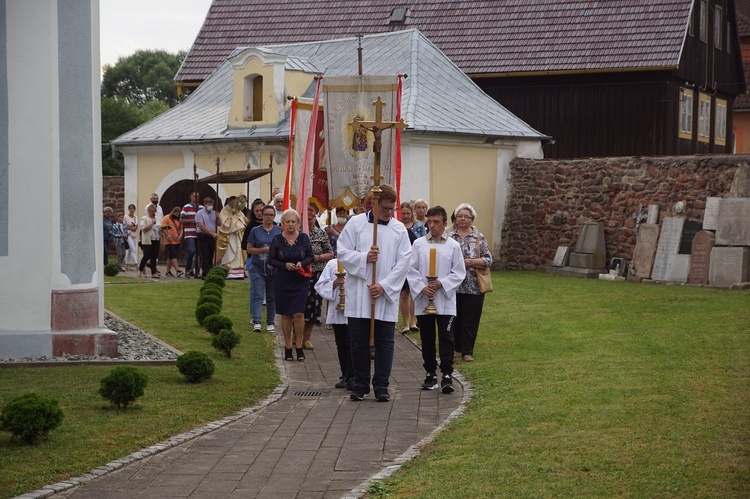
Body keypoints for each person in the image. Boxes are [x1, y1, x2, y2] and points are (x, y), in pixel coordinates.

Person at [337, 184, 412, 402]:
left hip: (385, 293)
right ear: (375, 203)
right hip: (360, 291)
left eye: (393, 208)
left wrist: (385, 286)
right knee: (358, 340)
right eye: (386, 208)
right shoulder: (356, 224)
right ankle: (360, 384)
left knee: (385, 340)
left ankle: (381, 385)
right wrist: (364, 259)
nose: (390, 212)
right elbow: (342, 251)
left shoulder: (399, 230)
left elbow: (404, 261)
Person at [407, 206, 466, 394]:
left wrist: (441, 283)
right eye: (429, 222)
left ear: (445, 224)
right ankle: (430, 373)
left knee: (446, 337)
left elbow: (459, 272)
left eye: (436, 222)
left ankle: (447, 374)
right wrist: (421, 287)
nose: (431, 226)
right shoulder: (418, 244)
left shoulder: (453, 246)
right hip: (425, 298)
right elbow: (411, 269)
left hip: (445, 300)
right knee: (427, 338)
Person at [267, 209, 314, 362]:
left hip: (300, 280)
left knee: (299, 313)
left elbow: (310, 256)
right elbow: (271, 260)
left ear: (298, 223)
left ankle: (298, 345)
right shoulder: (277, 239)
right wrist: (284, 265)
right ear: (283, 224)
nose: (291, 224)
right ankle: (288, 347)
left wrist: (302, 263)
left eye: (294, 221)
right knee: (286, 314)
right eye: (288, 221)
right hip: (283, 280)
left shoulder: (304, 238)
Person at [449, 203, 492, 362]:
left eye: (466, 216)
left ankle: (468, 351)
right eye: (460, 216)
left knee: (470, 319)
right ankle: (457, 348)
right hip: (454, 285)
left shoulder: (479, 238)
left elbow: (488, 260)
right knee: (455, 318)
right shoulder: (450, 237)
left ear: (472, 219)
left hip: (474, 286)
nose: (462, 219)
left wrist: (471, 262)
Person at [315, 258, 354, 390]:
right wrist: (334, 283)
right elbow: (320, 285)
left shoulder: (359, 262)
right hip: (339, 311)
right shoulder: (333, 264)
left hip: (355, 310)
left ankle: (354, 375)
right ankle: (345, 374)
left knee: (353, 343)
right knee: (341, 343)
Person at [302, 204, 334, 350]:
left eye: (311, 218)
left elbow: (330, 253)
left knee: (312, 308)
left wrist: (317, 257)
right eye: (305, 218)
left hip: (315, 274)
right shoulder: (297, 233)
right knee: (298, 308)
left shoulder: (320, 234)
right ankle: (296, 337)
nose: (308, 221)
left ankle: (306, 338)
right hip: (298, 274)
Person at [247, 205, 282, 332]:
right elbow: (249, 248)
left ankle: (270, 322)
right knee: (258, 294)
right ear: (262, 215)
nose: (268, 217)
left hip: (273, 268)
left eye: (271, 215)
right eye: (266, 215)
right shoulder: (255, 231)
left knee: (271, 296)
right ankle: (257, 320)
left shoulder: (279, 230)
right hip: (257, 267)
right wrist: (263, 249)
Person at [398, 201, 426, 334]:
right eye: (403, 213)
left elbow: (423, 242)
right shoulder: (397, 226)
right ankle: (406, 324)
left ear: (412, 213)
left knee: (414, 294)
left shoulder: (419, 226)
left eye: (408, 213)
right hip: (402, 264)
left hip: (415, 264)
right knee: (404, 294)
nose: (406, 216)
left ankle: (414, 322)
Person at [217, 195, 248, 277]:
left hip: (238, 236)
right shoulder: (224, 210)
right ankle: (228, 272)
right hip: (229, 236)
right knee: (230, 252)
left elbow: (244, 220)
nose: (234, 203)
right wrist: (233, 217)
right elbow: (224, 224)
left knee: (238, 252)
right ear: (229, 201)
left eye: (236, 202)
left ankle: (239, 273)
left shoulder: (239, 211)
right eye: (233, 202)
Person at [195, 197, 221, 279]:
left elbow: (219, 224)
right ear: (205, 204)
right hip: (203, 235)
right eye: (209, 204)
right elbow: (201, 226)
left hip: (211, 236)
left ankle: (210, 270)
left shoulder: (214, 213)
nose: (211, 206)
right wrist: (211, 233)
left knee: (210, 254)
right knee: (205, 254)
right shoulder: (200, 213)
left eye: (212, 204)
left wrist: (218, 217)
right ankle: (205, 273)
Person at [180, 191, 202, 278]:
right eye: (194, 196)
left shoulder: (201, 208)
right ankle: (188, 269)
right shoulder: (186, 207)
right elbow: (181, 220)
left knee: (198, 253)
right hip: (189, 233)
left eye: (197, 196)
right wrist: (192, 220)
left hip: (199, 233)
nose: (196, 198)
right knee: (192, 250)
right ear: (190, 197)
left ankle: (197, 271)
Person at [138, 204, 161, 278]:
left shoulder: (157, 218)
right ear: (149, 211)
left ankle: (153, 272)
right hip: (147, 240)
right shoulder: (144, 218)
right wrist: (151, 223)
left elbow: (159, 227)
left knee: (154, 256)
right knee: (147, 255)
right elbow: (143, 228)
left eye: (155, 211)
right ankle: (140, 270)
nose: (153, 213)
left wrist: (163, 228)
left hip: (156, 239)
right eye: (152, 211)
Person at [161, 206, 184, 277]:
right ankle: (177, 270)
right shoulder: (166, 218)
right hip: (169, 241)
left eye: (178, 214)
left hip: (176, 240)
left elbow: (181, 228)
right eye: (175, 213)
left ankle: (168, 271)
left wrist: (180, 235)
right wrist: (168, 236)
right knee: (173, 254)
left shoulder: (178, 220)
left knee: (170, 256)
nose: (177, 215)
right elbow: (163, 228)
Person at [123, 204, 139, 271]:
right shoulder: (126, 217)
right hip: (128, 235)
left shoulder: (135, 217)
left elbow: (136, 226)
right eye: (130, 209)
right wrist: (131, 227)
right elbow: (124, 226)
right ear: (129, 209)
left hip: (134, 234)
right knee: (133, 249)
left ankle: (127, 264)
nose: (132, 210)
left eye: (133, 209)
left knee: (130, 250)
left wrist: (134, 227)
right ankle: (136, 263)